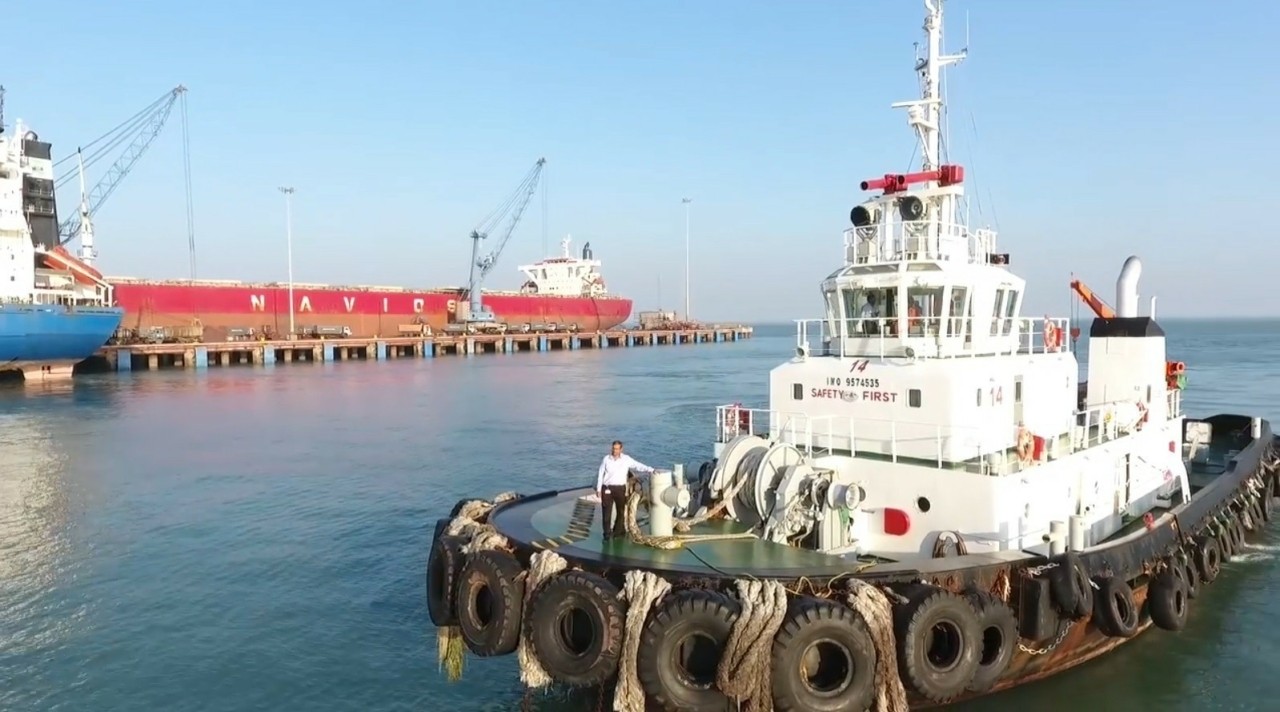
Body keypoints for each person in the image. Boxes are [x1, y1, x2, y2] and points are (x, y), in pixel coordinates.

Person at [596, 440, 655, 541]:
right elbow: (601, 473)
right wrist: (598, 489)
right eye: (613, 448)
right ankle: (606, 534)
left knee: (621, 511)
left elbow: (637, 465)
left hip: (620, 488)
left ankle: (617, 532)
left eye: (617, 449)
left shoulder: (626, 459)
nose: (615, 451)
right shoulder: (606, 459)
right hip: (607, 488)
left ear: (621, 449)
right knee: (606, 512)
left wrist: (651, 470)